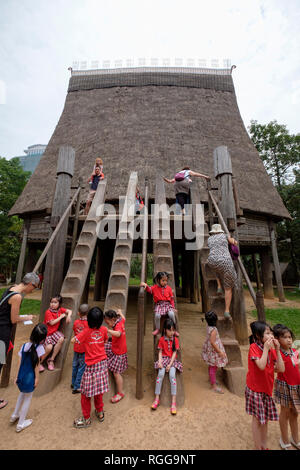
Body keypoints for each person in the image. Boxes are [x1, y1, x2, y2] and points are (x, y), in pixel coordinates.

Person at [0, 272, 37, 410]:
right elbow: (14, 319)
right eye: (34, 287)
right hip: (2, 333)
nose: (33, 290)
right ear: (30, 284)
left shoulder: (11, 289)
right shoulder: (17, 296)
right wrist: (27, 317)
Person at [245, 321, 285, 450]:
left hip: (267, 390)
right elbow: (261, 365)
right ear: (258, 336)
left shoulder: (272, 351)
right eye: (267, 333)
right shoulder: (253, 348)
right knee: (257, 419)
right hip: (255, 389)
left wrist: (278, 350)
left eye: (271, 332)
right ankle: (258, 447)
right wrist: (267, 349)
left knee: (265, 419)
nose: (271, 335)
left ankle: (264, 445)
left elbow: (281, 369)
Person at [71, 307, 109, 428]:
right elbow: (105, 340)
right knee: (99, 391)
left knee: (86, 394)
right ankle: (100, 412)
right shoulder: (103, 330)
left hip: (91, 367)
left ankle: (86, 418)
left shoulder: (86, 332)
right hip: (102, 365)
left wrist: (82, 339)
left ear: (88, 320)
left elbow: (73, 340)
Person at [10, 323, 47, 432]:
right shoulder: (40, 348)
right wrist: (37, 378)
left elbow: (19, 362)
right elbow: (36, 365)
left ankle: (15, 414)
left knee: (21, 395)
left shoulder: (24, 346)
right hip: (29, 379)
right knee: (27, 399)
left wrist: (17, 376)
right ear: (42, 339)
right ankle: (21, 423)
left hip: (21, 377)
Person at [273, 324, 300, 450]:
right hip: (284, 386)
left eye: (290, 337)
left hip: (296, 386)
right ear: (277, 339)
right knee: (285, 412)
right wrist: (277, 350)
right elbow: (277, 368)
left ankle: (295, 439)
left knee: (295, 412)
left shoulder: (295, 352)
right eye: (285, 337)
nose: (289, 339)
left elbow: (297, 368)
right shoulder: (277, 354)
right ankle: (284, 440)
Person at [151, 318, 183, 415]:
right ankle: (157, 398)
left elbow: (174, 353)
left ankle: (173, 402)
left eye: (173, 330)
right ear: (165, 329)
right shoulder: (161, 339)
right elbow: (160, 352)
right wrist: (160, 362)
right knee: (160, 374)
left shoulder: (175, 340)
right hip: (164, 359)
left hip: (172, 361)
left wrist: (170, 365)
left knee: (172, 376)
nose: (172, 332)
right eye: (170, 330)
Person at [207, 223, 238, 319]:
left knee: (216, 268)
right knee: (228, 288)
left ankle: (219, 285)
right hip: (225, 261)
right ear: (220, 230)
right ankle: (227, 311)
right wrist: (232, 240)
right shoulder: (224, 236)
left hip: (211, 261)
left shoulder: (209, 239)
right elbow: (234, 242)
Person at [140, 271, 179, 336]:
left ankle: (174, 329)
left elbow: (171, 299)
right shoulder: (155, 287)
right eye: (163, 280)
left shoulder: (169, 288)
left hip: (167, 305)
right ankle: (158, 329)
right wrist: (145, 285)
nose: (165, 282)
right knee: (157, 316)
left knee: (171, 314)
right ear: (158, 280)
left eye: (166, 281)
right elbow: (149, 290)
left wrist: (173, 308)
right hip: (159, 305)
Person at [40, 295, 72, 371]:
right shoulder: (48, 312)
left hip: (54, 332)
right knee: (49, 347)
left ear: (59, 304)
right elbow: (52, 323)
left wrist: (68, 316)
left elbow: (69, 311)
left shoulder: (60, 310)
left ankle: (51, 360)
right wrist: (61, 317)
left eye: (55, 302)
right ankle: (39, 362)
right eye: (51, 302)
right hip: (46, 333)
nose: (52, 304)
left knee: (61, 339)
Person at [104, 308, 128, 403]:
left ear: (113, 319)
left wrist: (108, 330)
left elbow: (118, 334)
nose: (107, 324)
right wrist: (121, 312)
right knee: (104, 346)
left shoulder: (118, 326)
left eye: (108, 322)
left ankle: (120, 393)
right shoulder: (120, 320)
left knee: (116, 373)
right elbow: (124, 318)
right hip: (115, 346)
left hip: (119, 352)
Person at [202, 310, 228, 394]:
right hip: (214, 351)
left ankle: (212, 379)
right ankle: (214, 386)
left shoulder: (209, 327)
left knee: (211, 366)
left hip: (210, 350)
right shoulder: (214, 330)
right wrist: (219, 351)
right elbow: (213, 342)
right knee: (213, 367)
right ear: (216, 320)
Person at [71, 304, 89, 394]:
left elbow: (75, 331)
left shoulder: (75, 322)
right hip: (84, 348)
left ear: (78, 313)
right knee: (81, 367)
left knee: (75, 365)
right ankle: (77, 386)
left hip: (76, 347)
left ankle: (73, 382)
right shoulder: (88, 324)